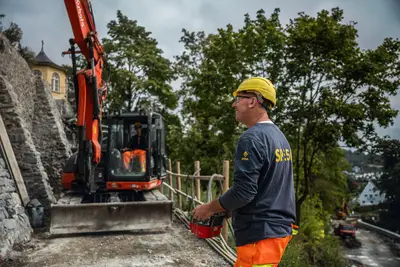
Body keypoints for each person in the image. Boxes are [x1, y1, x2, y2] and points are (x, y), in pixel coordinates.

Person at [191, 77, 297, 267]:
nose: (234, 104)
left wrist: (208, 208)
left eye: (238, 98)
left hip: (259, 235)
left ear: (252, 101)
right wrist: (229, 208)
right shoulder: (280, 138)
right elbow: (267, 186)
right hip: (276, 231)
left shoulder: (252, 138)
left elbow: (244, 191)